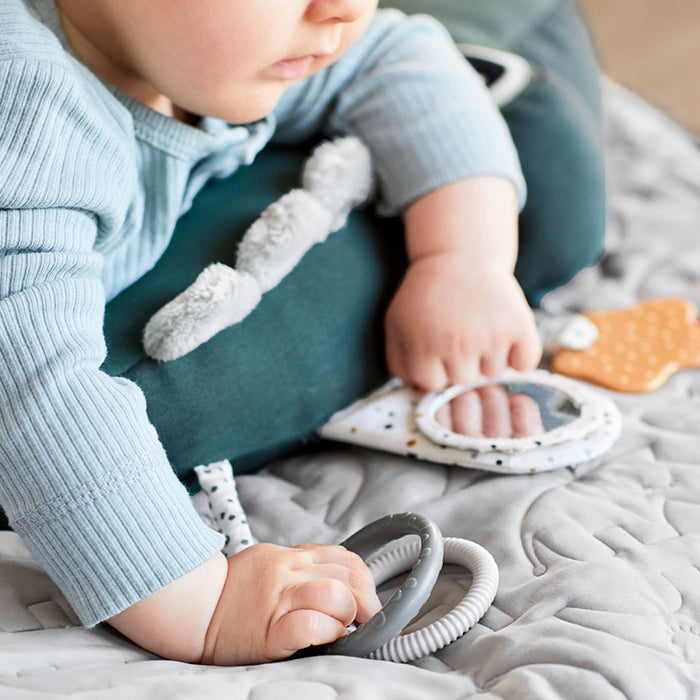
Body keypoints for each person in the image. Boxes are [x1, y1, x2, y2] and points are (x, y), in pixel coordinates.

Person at [0, 0, 543, 664]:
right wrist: (201, 602)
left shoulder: (204, 48)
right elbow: (27, 384)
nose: (343, 7)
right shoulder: (26, 107)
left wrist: (464, 259)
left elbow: (394, 59)